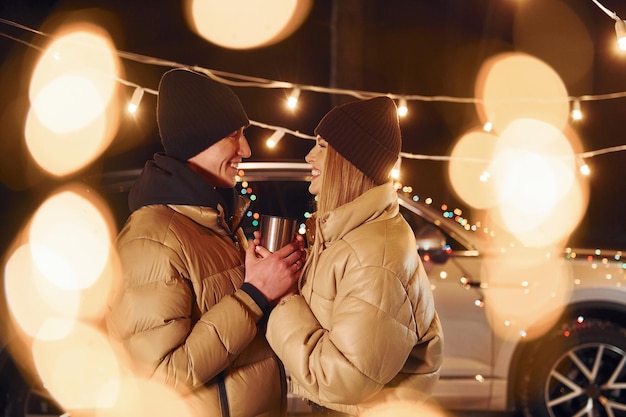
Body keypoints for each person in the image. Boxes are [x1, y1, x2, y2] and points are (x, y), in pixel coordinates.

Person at [105, 68, 305, 417]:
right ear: (196, 140)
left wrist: (278, 280)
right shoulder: (152, 239)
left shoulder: (218, 222)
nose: (246, 148)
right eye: (234, 134)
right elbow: (157, 380)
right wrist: (254, 295)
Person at [259, 96, 444, 416]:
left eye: (321, 146)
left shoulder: (374, 254)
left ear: (349, 160)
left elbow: (342, 380)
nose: (308, 155)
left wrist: (282, 298)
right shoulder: (348, 236)